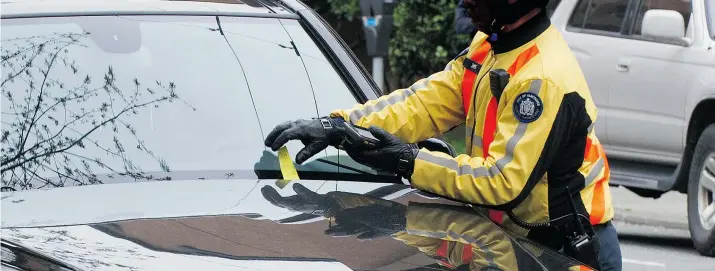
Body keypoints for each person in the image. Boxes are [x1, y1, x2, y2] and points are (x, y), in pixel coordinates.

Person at [263, 0, 621, 269]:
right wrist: (336, 125)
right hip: (507, 244)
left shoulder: (541, 76)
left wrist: (408, 160)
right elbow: (421, 104)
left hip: (563, 251)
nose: (462, 0)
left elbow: (502, 181)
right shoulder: (490, 47)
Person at [262, 183, 596, 271]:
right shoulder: (503, 264)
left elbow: (434, 241)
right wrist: (339, 204)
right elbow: (478, 235)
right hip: (551, 221)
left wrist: (338, 206)